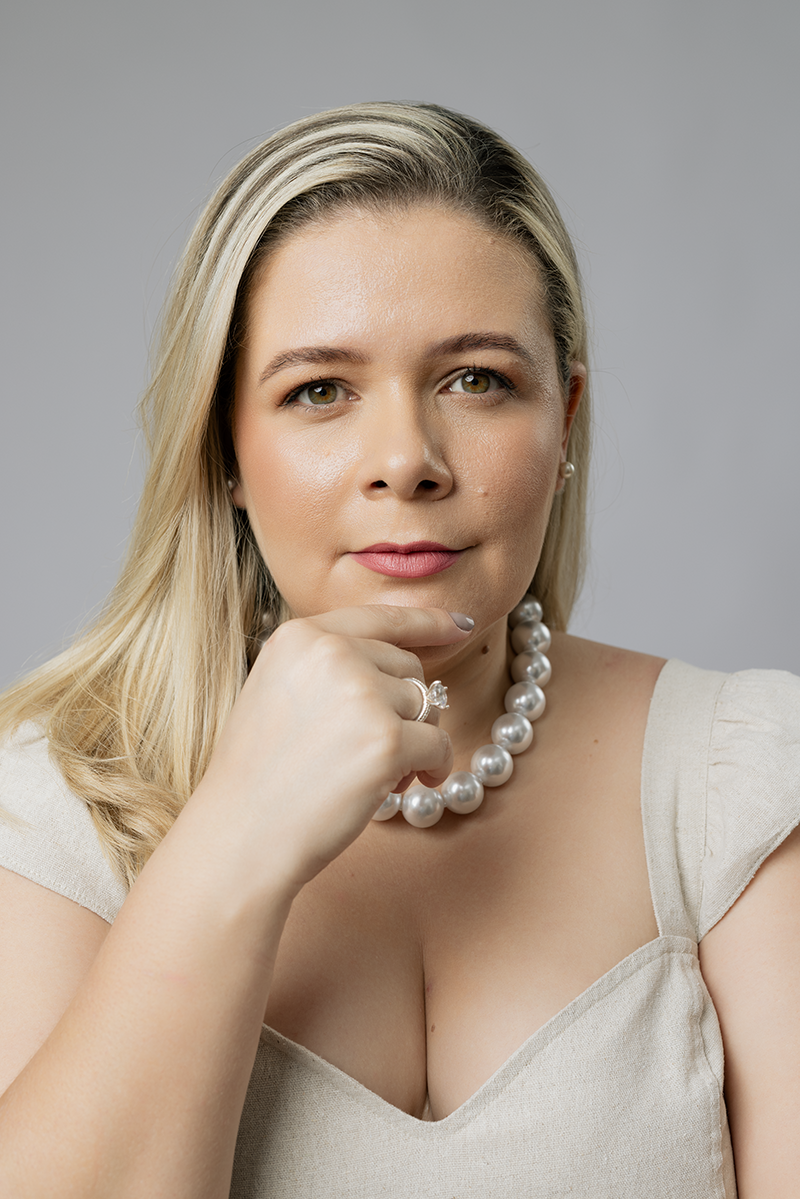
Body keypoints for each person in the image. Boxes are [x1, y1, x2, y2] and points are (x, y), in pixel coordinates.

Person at [0, 101, 797, 1199]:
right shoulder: (63, 806)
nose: (405, 460)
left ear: (564, 418)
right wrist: (235, 836)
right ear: (224, 446)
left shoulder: (737, 782)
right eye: (319, 390)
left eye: (476, 379)